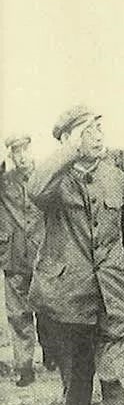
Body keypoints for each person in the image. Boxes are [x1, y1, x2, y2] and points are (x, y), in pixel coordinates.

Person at [27, 107, 124, 405]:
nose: (97, 135)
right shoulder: (55, 183)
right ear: (67, 139)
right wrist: (69, 151)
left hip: (114, 295)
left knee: (118, 377)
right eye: (87, 130)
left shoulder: (116, 178)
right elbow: (35, 189)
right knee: (77, 384)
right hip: (67, 300)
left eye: (99, 128)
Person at [1, 134, 52, 386]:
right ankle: (25, 366)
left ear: (32, 150)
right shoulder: (4, 181)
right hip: (13, 255)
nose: (22, 156)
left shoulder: (43, 177)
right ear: (10, 155)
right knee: (18, 314)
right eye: (16, 152)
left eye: (25, 150)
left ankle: (51, 352)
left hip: (42, 254)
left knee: (46, 308)